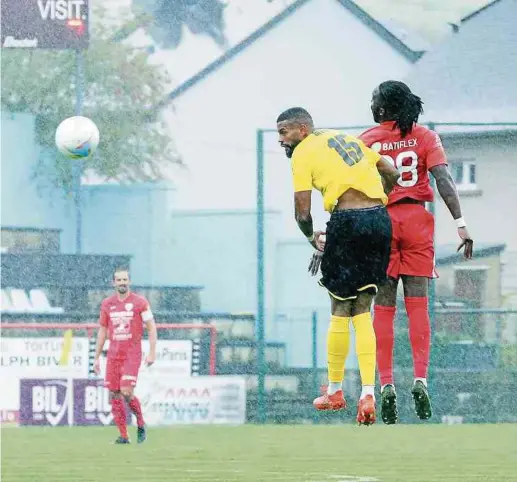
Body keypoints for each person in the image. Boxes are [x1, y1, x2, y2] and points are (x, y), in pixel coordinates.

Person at [359, 80, 474, 424]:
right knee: (418, 305)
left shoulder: (367, 139)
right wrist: (461, 223)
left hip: (381, 221)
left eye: (373, 99)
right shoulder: (425, 136)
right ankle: (421, 379)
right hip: (417, 219)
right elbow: (444, 180)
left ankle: (386, 384)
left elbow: (351, 186)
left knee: (383, 306)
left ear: (381, 108)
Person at [277, 107, 400, 425]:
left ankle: (334, 390)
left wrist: (313, 241)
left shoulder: (302, 153)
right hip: (379, 221)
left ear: (302, 130)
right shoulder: (345, 138)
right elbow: (392, 172)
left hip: (346, 221)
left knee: (340, 307)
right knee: (364, 308)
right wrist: (377, 202)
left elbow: (302, 214)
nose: (281, 140)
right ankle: (368, 392)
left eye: (284, 132)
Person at [94, 267, 157, 443]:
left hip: (132, 353)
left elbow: (151, 327)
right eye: (119, 280)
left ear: (129, 282)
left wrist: (152, 352)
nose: (122, 283)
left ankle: (141, 422)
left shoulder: (140, 302)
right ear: (113, 283)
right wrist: (96, 357)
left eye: (125, 280)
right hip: (113, 354)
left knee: (127, 392)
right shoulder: (107, 304)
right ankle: (123, 436)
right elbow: (103, 330)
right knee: (114, 394)